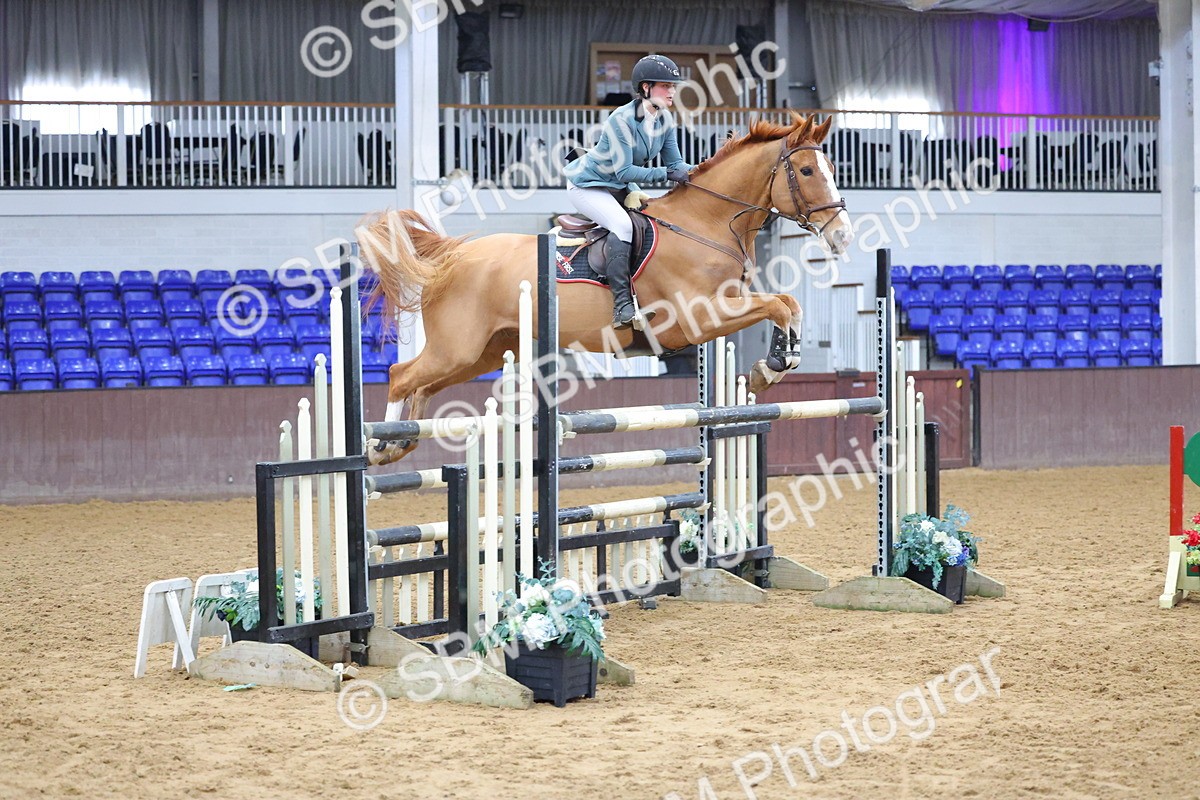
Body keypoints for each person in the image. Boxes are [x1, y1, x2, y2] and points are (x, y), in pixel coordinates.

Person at [564, 54, 694, 329]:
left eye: (673, 86)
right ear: (646, 88)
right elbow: (625, 171)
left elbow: (676, 164)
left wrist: (703, 172)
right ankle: (622, 307)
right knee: (622, 226)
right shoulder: (621, 120)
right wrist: (665, 174)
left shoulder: (664, 120)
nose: (672, 91)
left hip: (619, 187)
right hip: (588, 185)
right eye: (665, 86)